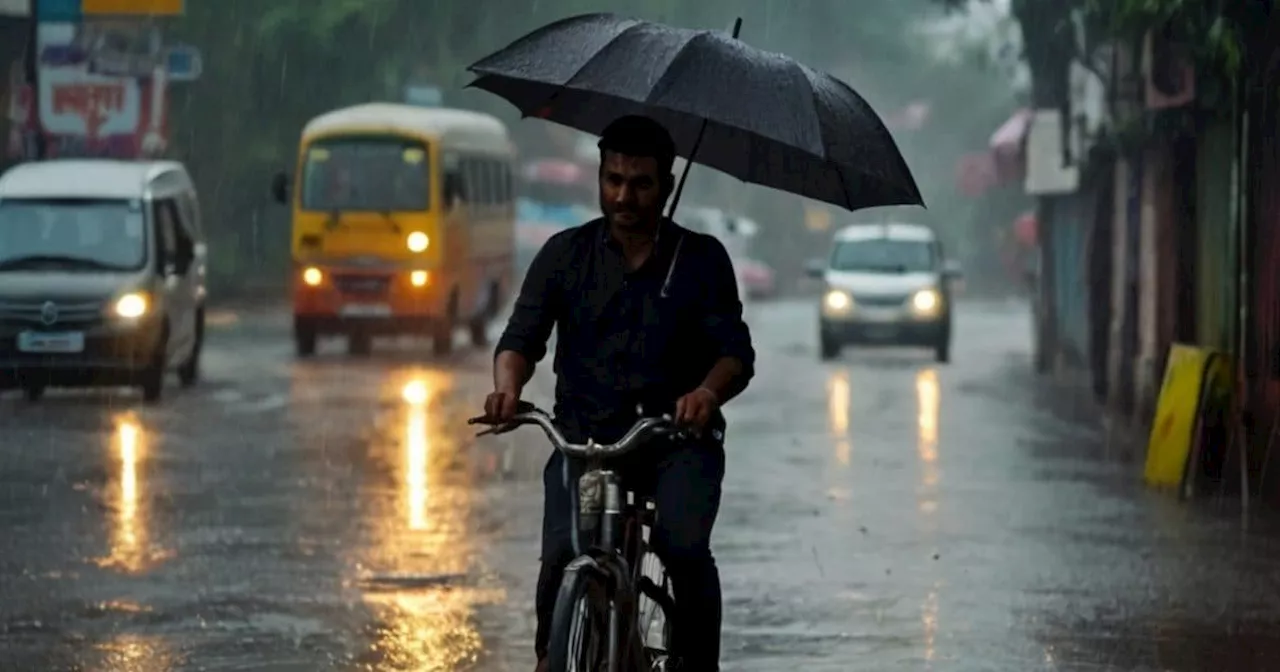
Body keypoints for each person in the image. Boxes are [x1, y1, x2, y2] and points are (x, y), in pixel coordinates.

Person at [481, 115, 755, 671]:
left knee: (683, 548)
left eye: (641, 183)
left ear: (667, 186)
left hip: (675, 443)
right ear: (600, 178)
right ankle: (549, 657)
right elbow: (519, 339)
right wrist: (506, 389)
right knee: (562, 553)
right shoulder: (564, 254)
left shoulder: (701, 261)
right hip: (586, 443)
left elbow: (736, 356)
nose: (625, 195)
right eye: (614, 180)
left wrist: (706, 392)